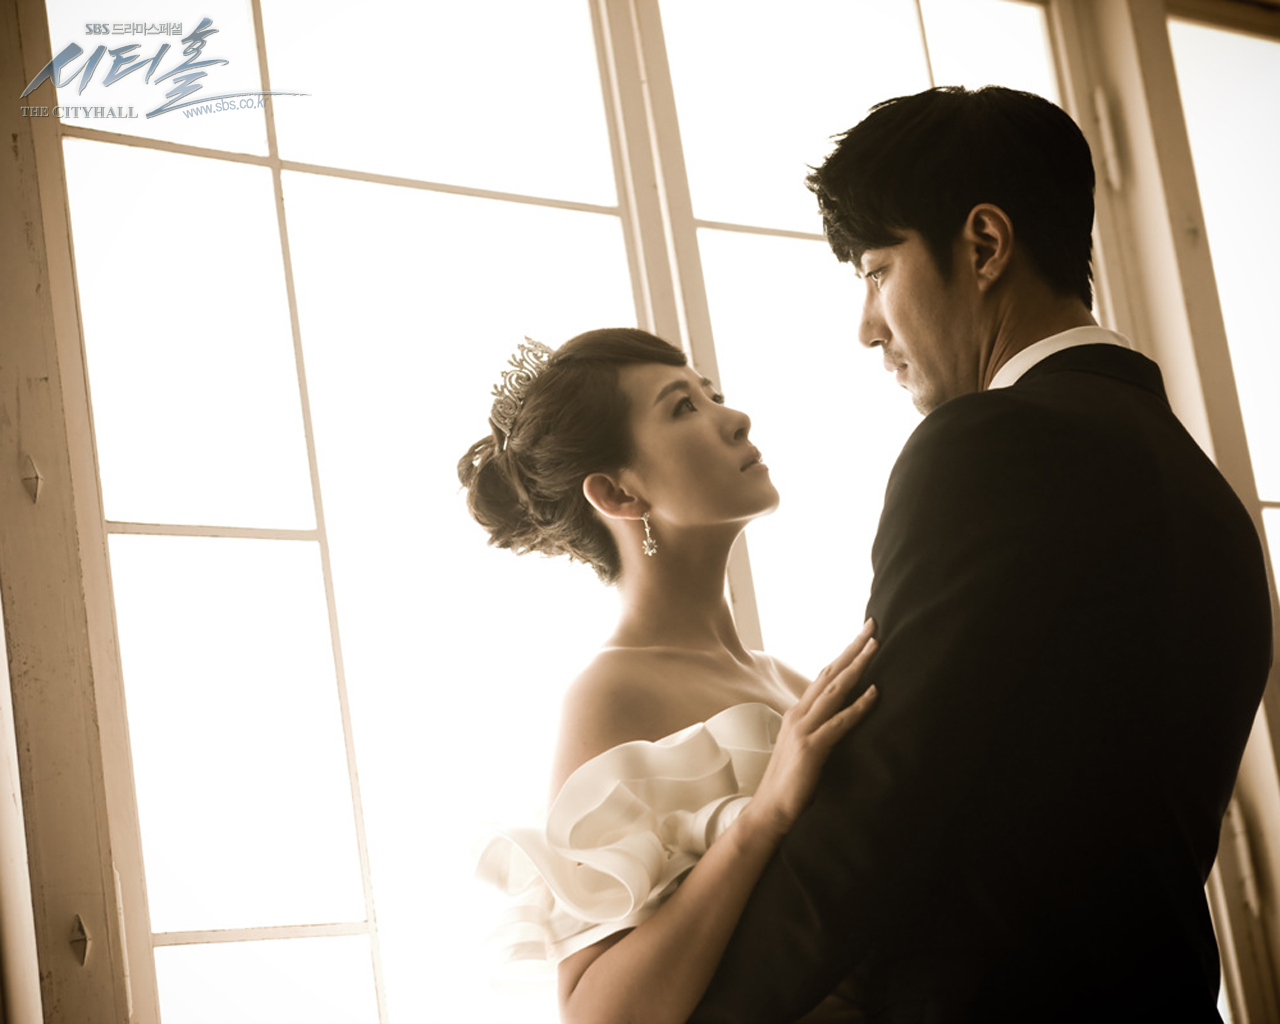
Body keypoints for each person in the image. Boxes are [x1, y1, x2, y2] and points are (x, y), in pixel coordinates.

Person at [687, 86, 1274, 1022]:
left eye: (877, 271)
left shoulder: (987, 446)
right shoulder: (1208, 496)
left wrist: (699, 1013)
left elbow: (878, 810)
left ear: (985, 245)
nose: (868, 326)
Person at [463, 329, 879, 1023]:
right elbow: (597, 1014)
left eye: (712, 395)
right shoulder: (612, 695)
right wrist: (763, 820)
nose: (735, 418)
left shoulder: (788, 680)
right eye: (683, 407)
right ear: (617, 492)